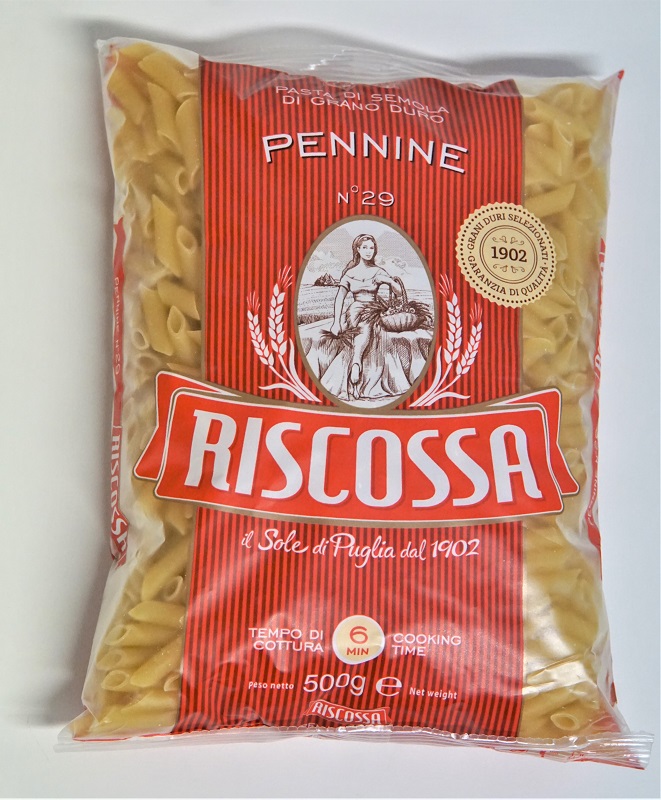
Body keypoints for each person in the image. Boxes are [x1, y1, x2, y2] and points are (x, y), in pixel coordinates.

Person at [329, 234, 404, 392]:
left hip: (374, 308)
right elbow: (339, 298)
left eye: (372, 248)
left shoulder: (378, 271)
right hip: (356, 309)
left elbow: (399, 293)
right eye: (365, 248)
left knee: (367, 321)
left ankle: (356, 361)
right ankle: (356, 362)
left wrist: (389, 281)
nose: (369, 251)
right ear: (357, 249)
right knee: (358, 314)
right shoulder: (349, 274)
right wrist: (336, 322)